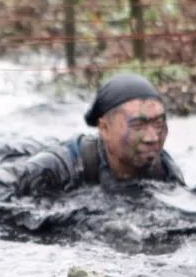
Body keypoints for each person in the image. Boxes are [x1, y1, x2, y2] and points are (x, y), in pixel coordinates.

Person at [15, 72, 184, 197]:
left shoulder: (165, 171)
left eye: (158, 124)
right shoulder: (53, 168)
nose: (152, 138)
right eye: (138, 125)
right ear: (104, 129)